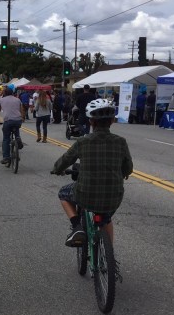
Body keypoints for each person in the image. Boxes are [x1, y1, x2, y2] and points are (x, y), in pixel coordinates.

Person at [51, 99, 133, 248]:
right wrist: (124, 172)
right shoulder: (120, 141)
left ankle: (77, 227)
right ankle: (110, 255)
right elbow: (128, 168)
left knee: (63, 193)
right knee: (106, 219)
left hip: (85, 194)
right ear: (112, 121)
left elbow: (65, 160)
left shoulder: (83, 141)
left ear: (91, 122)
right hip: (113, 196)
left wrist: (57, 169)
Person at [0, 86, 25, 165]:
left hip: (8, 121)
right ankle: (18, 138)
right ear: (12, 93)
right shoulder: (18, 99)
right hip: (17, 120)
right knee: (16, 128)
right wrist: (23, 118)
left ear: (4, 93)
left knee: (6, 139)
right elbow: (22, 110)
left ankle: (6, 157)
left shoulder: (1, 100)